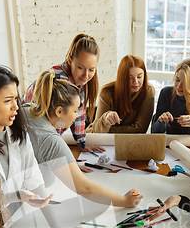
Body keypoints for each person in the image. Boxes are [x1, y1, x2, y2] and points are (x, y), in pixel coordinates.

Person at [0, 63, 87, 228]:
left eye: (16, 99)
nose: (15, 107)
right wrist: (17, 196)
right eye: (7, 100)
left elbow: (35, 183)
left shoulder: (18, 134)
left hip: (9, 225)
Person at [23, 69, 143, 208]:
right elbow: (84, 188)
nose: (76, 116)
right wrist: (124, 201)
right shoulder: (51, 140)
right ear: (59, 111)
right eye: (74, 111)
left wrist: (68, 165)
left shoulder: (25, 109)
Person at [22, 33, 104, 169]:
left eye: (91, 70)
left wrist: (82, 144)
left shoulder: (80, 81)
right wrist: (70, 165)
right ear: (70, 60)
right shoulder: (59, 83)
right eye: (81, 68)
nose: (86, 75)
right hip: (29, 139)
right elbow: (48, 133)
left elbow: (79, 114)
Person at [85, 55, 155, 133]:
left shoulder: (148, 91)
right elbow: (97, 130)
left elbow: (140, 129)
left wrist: (106, 130)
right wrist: (105, 119)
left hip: (130, 140)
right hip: (107, 141)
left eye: (139, 77)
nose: (135, 81)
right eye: (130, 77)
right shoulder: (107, 93)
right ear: (122, 77)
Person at [151, 58, 190, 134]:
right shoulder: (166, 93)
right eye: (177, 80)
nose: (179, 87)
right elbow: (155, 132)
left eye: (185, 84)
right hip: (170, 143)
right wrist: (161, 121)